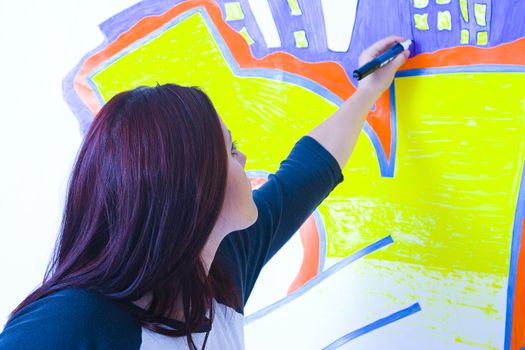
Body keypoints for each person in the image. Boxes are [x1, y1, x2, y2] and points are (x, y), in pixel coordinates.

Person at [0, 36, 409, 349]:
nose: (245, 158)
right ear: (191, 189)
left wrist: (369, 90)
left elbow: (309, 172)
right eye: (230, 150)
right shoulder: (73, 321)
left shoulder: (219, 271)